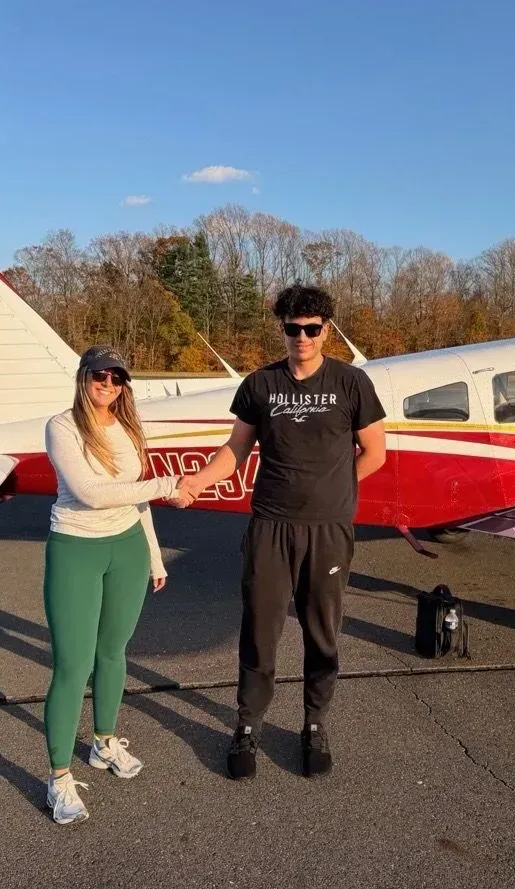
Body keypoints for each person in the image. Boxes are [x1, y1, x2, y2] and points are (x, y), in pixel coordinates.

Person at [178, 284, 386, 780]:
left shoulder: (352, 383)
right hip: (271, 526)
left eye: (312, 329)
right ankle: (247, 726)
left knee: (321, 633)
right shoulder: (259, 385)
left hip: (329, 530)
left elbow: (374, 453)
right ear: (283, 330)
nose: (302, 338)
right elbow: (235, 452)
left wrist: (332, 487)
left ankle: (314, 724)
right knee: (260, 631)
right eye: (293, 329)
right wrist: (196, 482)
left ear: (326, 330)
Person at [41, 344, 192, 824]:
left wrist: (152, 555)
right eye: (99, 375)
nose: (108, 384)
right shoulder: (62, 426)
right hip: (76, 550)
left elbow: (133, 498)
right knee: (73, 665)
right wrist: (169, 485)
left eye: (117, 377)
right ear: (84, 376)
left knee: (113, 653)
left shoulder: (128, 426)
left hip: (125, 548)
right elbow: (90, 493)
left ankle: (104, 743)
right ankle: (59, 777)